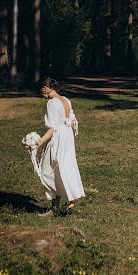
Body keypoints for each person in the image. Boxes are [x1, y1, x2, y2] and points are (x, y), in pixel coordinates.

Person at [36, 77, 85, 216]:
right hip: (67, 138)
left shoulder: (52, 103)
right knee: (61, 167)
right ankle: (55, 208)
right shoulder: (66, 100)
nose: (41, 94)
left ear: (45, 88)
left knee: (47, 170)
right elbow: (71, 121)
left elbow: (53, 128)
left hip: (58, 138)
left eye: (41, 91)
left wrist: (39, 143)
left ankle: (72, 196)